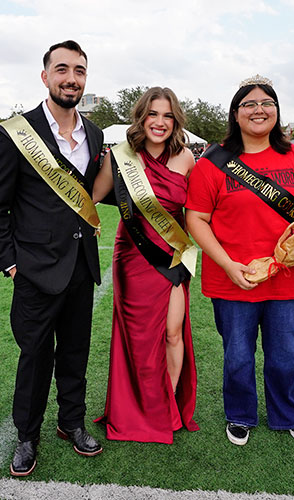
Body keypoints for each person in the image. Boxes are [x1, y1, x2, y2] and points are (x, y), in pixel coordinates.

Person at [185, 75, 294, 447]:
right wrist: (227, 265)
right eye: (249, 104)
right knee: (237, 356)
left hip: (287, 277)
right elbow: (196, 220)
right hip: (233, 279)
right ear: (236, 114)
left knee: (285, 355)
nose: (259, 110)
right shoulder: (212, 161)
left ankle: (287, 415)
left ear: (277, 112)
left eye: (267, 103)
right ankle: (240, 414)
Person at [0, 40, 105, 477]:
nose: (72, 78)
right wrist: (10, 262)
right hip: (34, 270)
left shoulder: (95, 133)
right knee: (35, 356)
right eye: (63, 69)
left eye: (80, 71)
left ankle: (71, 422)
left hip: (80, 265)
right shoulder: (14, 132)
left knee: (75, 352)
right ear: (45, 75)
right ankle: (27, 435)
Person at [92, 87, 199, 443]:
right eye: (153, 114)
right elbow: (89, 201)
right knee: (137, 340)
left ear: (175, 120)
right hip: (133, 255)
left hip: (172, 254)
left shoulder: (186, 159)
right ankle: (138, 410)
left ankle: (164, 405)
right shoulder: (120, 156)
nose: (160, 122)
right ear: (141, 117)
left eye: (168, 115)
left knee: (172, 333)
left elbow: (197, 213)